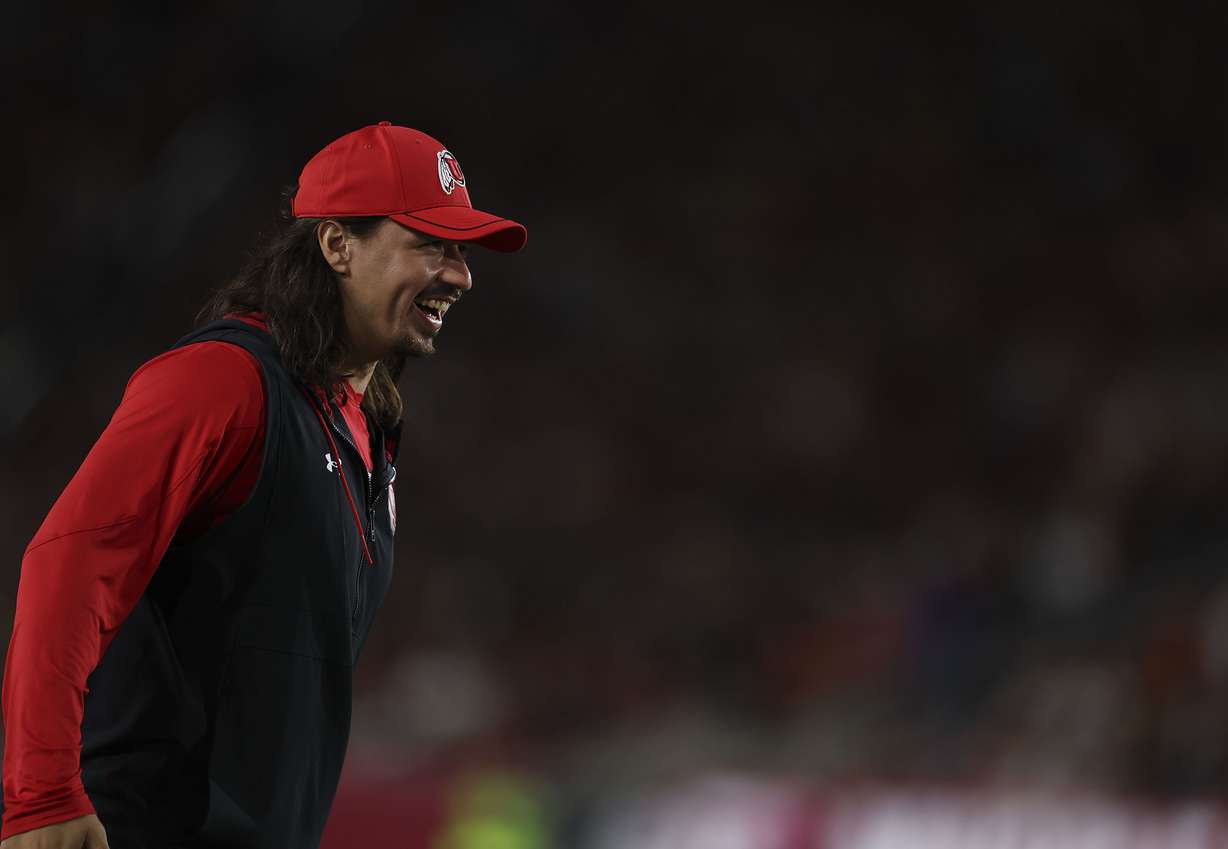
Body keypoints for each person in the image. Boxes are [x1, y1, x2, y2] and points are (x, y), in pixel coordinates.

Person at [0, 121, 527, 849]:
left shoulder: (366, 424)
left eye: (462, 250)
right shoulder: (222, 383)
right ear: (337, 243)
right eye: (430, 244)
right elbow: (65, 567)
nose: (460, 274)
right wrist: (42, 794)